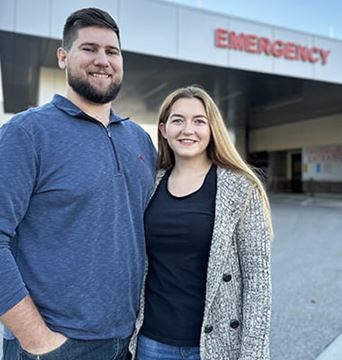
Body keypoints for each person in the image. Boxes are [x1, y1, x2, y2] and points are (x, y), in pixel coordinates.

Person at [0, 7, 156, 360]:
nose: (102, 60)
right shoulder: (26, 134)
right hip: (55, 346)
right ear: (63, 57)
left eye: (112, 51)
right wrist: (38, 340)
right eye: (89, 48)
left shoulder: (139, 140)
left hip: (128, 341)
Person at [128, 86, 273, 360]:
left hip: (217, 344)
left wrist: (253, 355)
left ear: (212, 129)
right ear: (163, 129)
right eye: (177, 120)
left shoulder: (241, 188)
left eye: (199, 121)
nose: (188, 129)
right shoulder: (149, 184)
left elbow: (258, 283)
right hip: (152, 343)